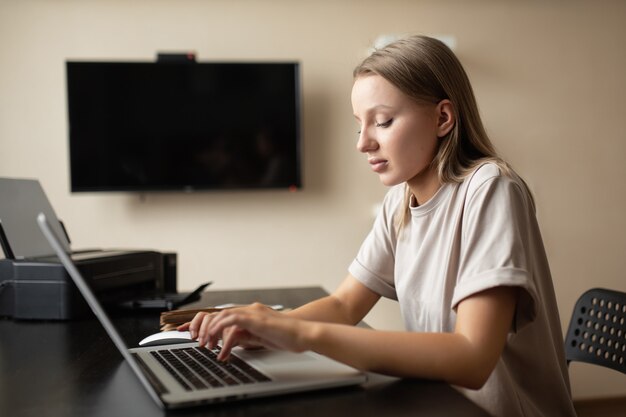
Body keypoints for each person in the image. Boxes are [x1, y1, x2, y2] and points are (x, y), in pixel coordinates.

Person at [178, 35, 576, 417]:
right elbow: (344, 305)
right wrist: (268, 325)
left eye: (382, 122)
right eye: (359, 125)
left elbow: (472, 357)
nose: (363, 143)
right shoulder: (398, 203)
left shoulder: (490, 189)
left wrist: (301, 337)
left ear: (443, 118)